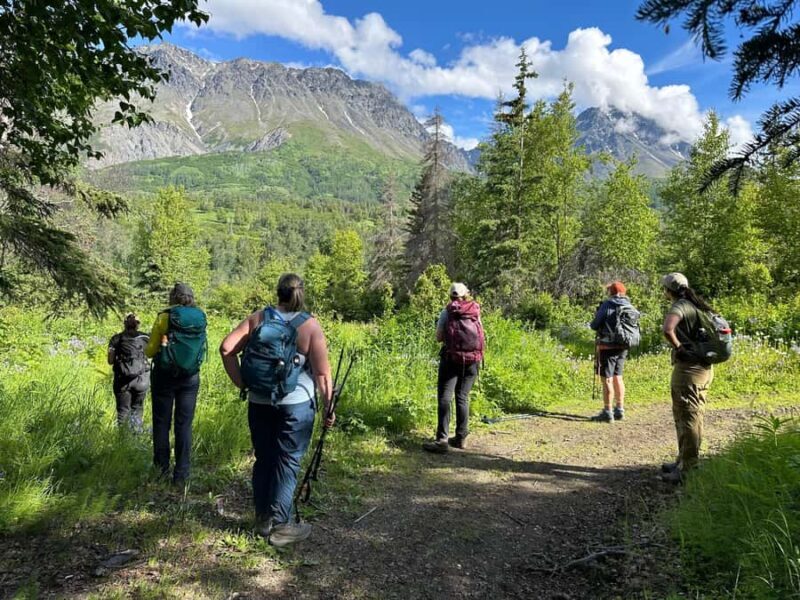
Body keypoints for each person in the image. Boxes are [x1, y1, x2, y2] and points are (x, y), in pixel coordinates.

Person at [219, 273, 333, 548]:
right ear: (301, 294)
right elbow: (321, 374)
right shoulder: (310, 326)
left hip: (260, 402)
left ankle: (261, 520)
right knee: (288, 460)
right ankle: (280, 526)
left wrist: (243, 384)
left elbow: (226, 348)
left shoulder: (259, 318)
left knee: (264, 458)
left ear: (278, 292)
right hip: (296, 405)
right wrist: (329, 407)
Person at [144, 283, 207, 486]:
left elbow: (150, 350)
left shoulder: (165, 317)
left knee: (162, 423)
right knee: (184, 425)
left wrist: (161, 344)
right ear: (191, 297)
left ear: (173, 297)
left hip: (164, 375)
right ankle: (182, 475)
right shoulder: (200, 317)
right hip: (190, 377)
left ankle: (161, 470)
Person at [660, 272, 715, 484]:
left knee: (689, 417)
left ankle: (688, 468)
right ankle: (683, 460)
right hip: (703, 368)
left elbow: (668, 329)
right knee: (690, 415)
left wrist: (679, 348)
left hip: (689, 370)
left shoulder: (680, 306)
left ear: (668, 290)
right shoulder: (697, 304)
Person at [423, 282, 485, 454]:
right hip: (472, 360)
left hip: (451, 359)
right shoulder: (475, 310)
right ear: (467, 294)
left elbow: (438, 337)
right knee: (462, 396)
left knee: (445, 397)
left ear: (451, 296)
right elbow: (482, 334)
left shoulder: (447, 312)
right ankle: (461, 437)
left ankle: (442, 440)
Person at [589, 281, 635, 422]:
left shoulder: (607, 305)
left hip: (607, 347)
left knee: (607, 378)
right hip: (623, 346)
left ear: (611, 292)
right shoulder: (629, 306)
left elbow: (595, 325)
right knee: (618, 376)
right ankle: (619, 409)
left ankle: (607, 411)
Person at [107, 313, 150, 431]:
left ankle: (123, 441)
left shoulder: (116, 338)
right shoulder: (145, 338)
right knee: (137, 409)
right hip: (142, 380)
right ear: (137, 325)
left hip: (123, 380)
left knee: (123, 410)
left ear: (124, 323)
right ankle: (136, 438)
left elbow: (110, 361)